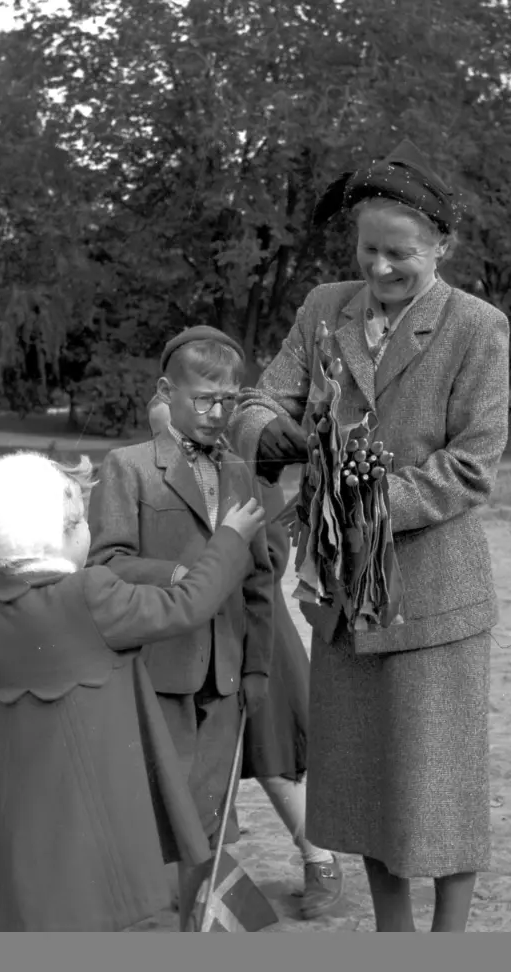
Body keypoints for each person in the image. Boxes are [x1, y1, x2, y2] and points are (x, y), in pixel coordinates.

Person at [232, 139, 510, 933]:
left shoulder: (476, 327)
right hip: (341, 601)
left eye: (403, 254)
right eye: (370, 251)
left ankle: (446, 940)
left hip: (433, 596)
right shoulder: (325, 308)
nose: (383, 268)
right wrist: (281, 437)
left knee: (440, 786)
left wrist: (360, 503)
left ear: (441, 248)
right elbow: (262, 400)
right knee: (366, 785)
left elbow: (470, 467)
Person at [0, 452, 267, 931]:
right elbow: (188, 604)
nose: (88, 533)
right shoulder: (92, 593)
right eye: (76, 522)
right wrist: (228, 540)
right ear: (49, 536)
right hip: (94, 809)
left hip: (21, 812)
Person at [88, 326, 275, 928]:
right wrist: (182, 570)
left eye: (231, 401)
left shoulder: (243, 473)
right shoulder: (129, 468)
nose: (218, 414)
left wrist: (256, 667)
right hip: (154, 674)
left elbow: (260, 583)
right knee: (147, 815)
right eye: (204, 400)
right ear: (167, 392)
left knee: (208, 820)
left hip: (225, 681)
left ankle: (195, 931)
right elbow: (106, 565)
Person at [146, 394, 344, 919]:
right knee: (192, 763)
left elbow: (271, 556)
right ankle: (200, 874)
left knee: (274, 754)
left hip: (254, 632)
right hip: (185, 637)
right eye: (161, 437)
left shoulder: (242, 477)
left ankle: (319, 858)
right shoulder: (150, 482)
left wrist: (216, 562)